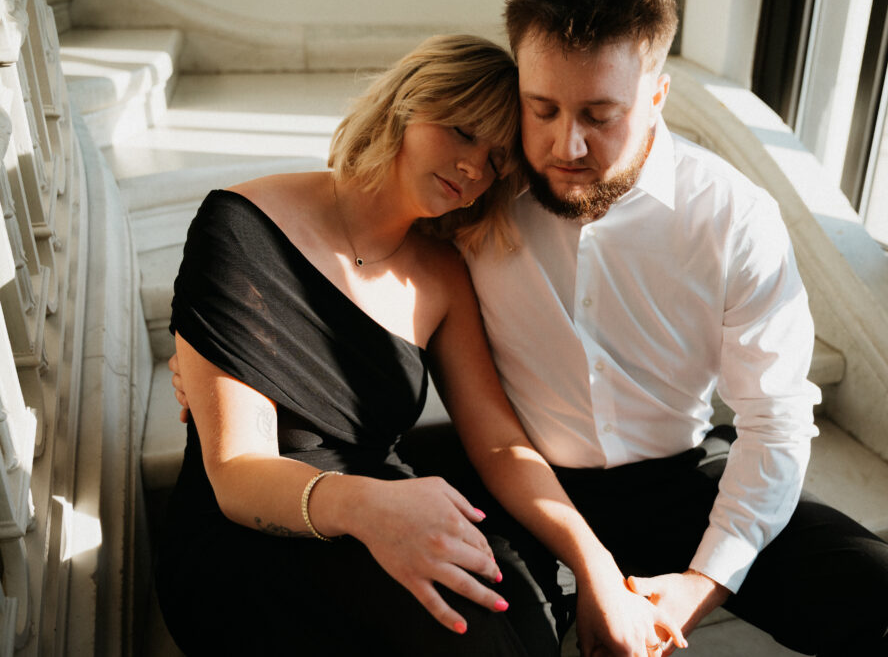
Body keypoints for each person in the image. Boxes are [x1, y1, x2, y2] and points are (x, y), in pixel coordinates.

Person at [456, 0, 888, 656]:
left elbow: (775, 419)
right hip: (523, 479)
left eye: (600, 116)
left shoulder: (734, 216)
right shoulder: (478, 190)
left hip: (676, 475)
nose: (566, 145)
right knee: (478, 634)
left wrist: (701, 584)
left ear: (657, 97)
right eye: (542, 109)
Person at [155, 34, 661, 656]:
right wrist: (373, 510)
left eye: (497, 160)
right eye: (462, 132)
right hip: (258, 533)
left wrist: (595, 565)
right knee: (472, 639)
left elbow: (497, 442)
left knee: (527, 620)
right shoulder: (243, 223)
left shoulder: (443, 272)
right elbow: (236, 474)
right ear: (405, 105)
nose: (474, 169)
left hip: (388, 496)